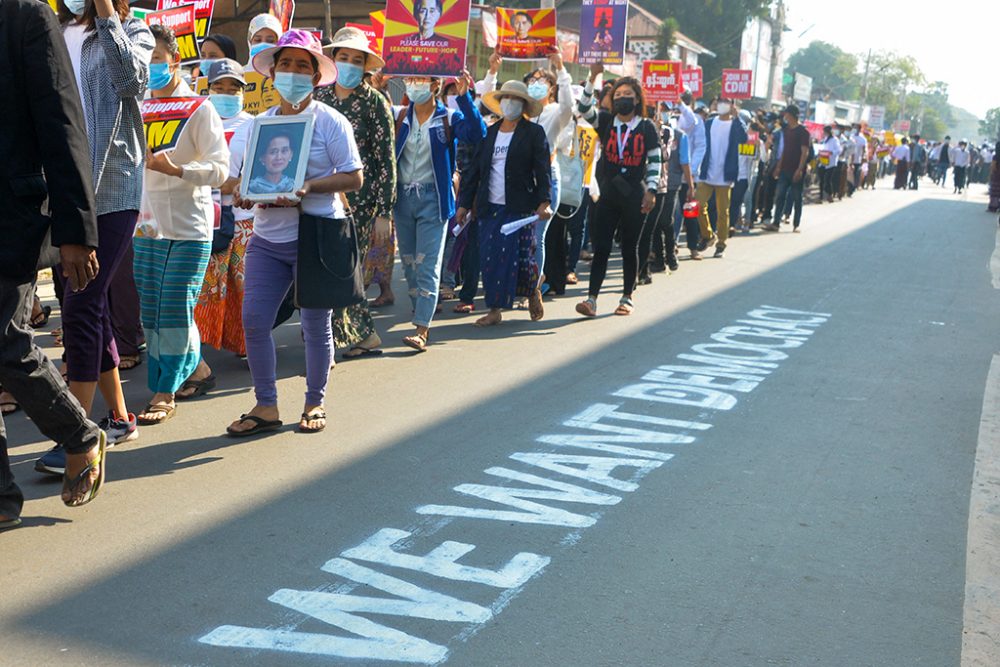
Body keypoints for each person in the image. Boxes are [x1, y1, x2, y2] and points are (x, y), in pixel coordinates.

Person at [2, 0, 110, 523]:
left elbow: (63, 125)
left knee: (5, 342)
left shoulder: (24, 16)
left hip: (10, 216)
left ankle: (80, 434)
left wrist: (76, 231)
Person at [227, 30, 363, 436]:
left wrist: (308, 188)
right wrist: (243, 192)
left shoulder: (330, 122)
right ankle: (266, 404)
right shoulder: (257, 127)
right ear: (271, 73)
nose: (292, 72)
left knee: (314, 325)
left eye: (302, 65)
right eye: (285, 64)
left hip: (315, 237)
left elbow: (354, 177)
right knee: (253, 321)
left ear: (316, 75)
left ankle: (314, 401)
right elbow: (236, 180)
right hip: (267, 239)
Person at [41, 0, 153, 470]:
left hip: (112, 186)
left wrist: (107, 14)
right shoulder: (52, 28)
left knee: (82, 304)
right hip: (60, 189)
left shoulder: (134, 30)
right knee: (91, 303)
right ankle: (121, 416)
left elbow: (131, 82)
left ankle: (77, 432)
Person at [132, 25, 229, 426]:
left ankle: (164, 389)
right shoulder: (133, 107)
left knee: (174, 308)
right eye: (144, 60)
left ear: (175, 61)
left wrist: (178, 169)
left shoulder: (199, 108)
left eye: (157, 59)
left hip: (190, 227)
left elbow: (221, 169)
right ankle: (198, 370)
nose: (151, 67)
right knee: (152, 312)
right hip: (146, 228)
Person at [314, 27, 395, 359]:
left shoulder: (375, 102)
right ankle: (342, 332)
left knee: (349, 267)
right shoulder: (320, 97)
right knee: (328, 265)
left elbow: (386, 159)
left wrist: (384, 213)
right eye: (342, 57)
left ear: (365, 66)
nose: (348, 64)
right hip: (321, 193)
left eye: (356, 60)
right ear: (333, 60)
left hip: (361, 200)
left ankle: (357, 333)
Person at [390, 71, 486, 350]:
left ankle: (422, 328)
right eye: (411, 80)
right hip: (403, 198)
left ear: (435, 85)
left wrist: (464, 95)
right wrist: (379, 83)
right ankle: (422, 306)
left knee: (428, 263)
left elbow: (478, 132)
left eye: (421, 80)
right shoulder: (400, 116)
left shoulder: (449, 118)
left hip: (434, 199)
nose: (414, 85)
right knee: (408, 263)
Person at [479, 49, 573, 315]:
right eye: (532, 80)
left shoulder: (553, 114)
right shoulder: (495, 129)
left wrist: (561, 68)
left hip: (538, 186)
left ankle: (533, 287)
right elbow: (486, 104)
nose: (536, 84)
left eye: (542, 81)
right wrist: (493, 71)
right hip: (500, 194)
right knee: (495, 250)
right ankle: (497, 306)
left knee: (531, 243)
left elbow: (568, 107)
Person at [455, 80, 551, 327]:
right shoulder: (490, 134)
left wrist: (544, 201)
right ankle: (494, 309)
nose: (510, 103)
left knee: (522, 258)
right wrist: (464, 204)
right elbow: (473, 172)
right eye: (506, 98)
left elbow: (542, 171)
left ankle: (532, 291)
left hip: (520, 207)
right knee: (491, 257)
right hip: (489, 207)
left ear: (524, 105)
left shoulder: (533, 133)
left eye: (515, 99)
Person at [190, 59, 256, 387]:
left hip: (245, 220)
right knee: (209, 288)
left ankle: (248, 345)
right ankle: (201, 345)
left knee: (246, 288)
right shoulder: (196, 119)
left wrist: (235, 183)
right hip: (207, 219)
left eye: (234, 89)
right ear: (208, 89)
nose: (227, 94)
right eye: (220, 88)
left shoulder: (253, 125)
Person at [575, 75, 662, 315]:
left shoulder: (646, 127)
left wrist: (652, 190)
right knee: (601, 246)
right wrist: (592, 78)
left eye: (628, 96)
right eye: (618, 96)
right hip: (608, 191)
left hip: (635, 192)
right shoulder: (604, 121)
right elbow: (582, 107)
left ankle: (627, 297)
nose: (623, 99)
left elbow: (655, 161)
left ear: (637, 100)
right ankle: (591, 299)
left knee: (629, 246)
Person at [693, 96, 747, 259]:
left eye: (726, 102)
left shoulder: (736, 124)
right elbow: (700, 143)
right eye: (720, 102)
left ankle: (721, 243)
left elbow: (743, 139)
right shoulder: (710, 123)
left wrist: (737, 118)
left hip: (725, 175)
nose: (722, 105)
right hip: (707, 172)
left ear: (732, 105)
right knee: (698, 205)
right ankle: (708, 235)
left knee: (723, 211)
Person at [764, 104, 810, 233]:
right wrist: (779, 166)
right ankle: (776, 222)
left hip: (796, 170)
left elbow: (804, 152)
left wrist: (799, 169)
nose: (785, 117)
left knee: (796, 197)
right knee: (780, 196)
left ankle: (796, 224)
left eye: (786, 114)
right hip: (784, 169)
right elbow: (784, 150)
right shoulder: (787, 131)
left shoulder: (803, 132)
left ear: (791, 115)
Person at [818, 126, 841, 201]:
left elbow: (838, 150)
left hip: (831, 163)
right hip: (823, 161)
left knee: (827, 180)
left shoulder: (835, 140)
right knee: (821, 180)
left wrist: (832, 152)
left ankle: (829, 195)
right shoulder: (825, 139)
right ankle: (820, 197)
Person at [988, 143, 1000, 213]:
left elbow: (993, 167)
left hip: (996, 176)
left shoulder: (995, 157)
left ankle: (993, 207)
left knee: (995, 193)